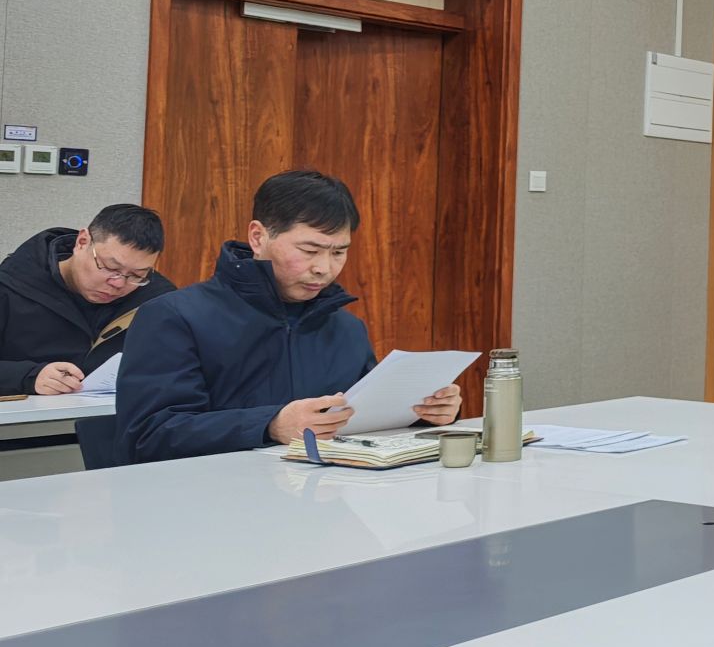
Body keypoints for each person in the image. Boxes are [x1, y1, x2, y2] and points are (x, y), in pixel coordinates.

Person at [115, 169, 461, 462]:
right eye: (309, 250)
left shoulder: (346, 328)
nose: (324, 268)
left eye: (339, 252)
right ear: (258, 237)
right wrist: (271, 425)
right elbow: (147, 435)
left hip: (326, 501)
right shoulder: (174, 317)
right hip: (212, 505)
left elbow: (365, 418)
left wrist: (426, 413)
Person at [0, 203, 176, 395]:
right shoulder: (11, 287)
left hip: (116, 413)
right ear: (82, 242)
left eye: (137, 275)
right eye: (110, 268)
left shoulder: (157, 299)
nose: (118, 283)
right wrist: (28, 376)